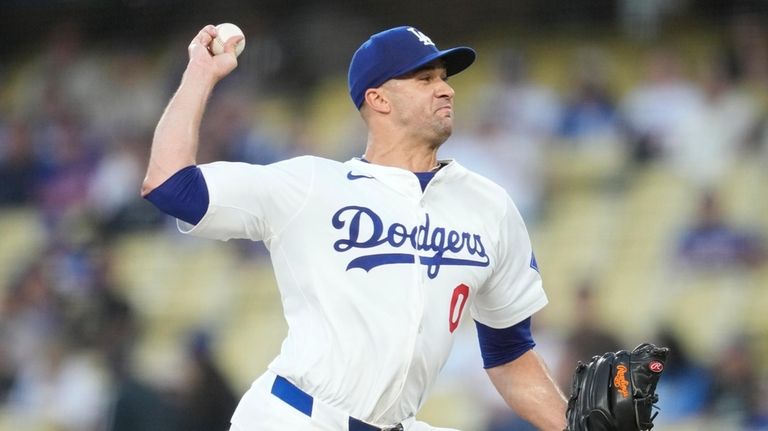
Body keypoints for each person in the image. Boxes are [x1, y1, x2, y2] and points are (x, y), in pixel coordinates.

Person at [141, 24, 567, 431]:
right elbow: (169, 185)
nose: (446, 88)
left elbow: (509, 352)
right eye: (424, 78)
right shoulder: (311, 185)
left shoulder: (490, 207)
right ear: (378, 99)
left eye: (443, 77)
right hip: (295, 417)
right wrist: (201, 72)